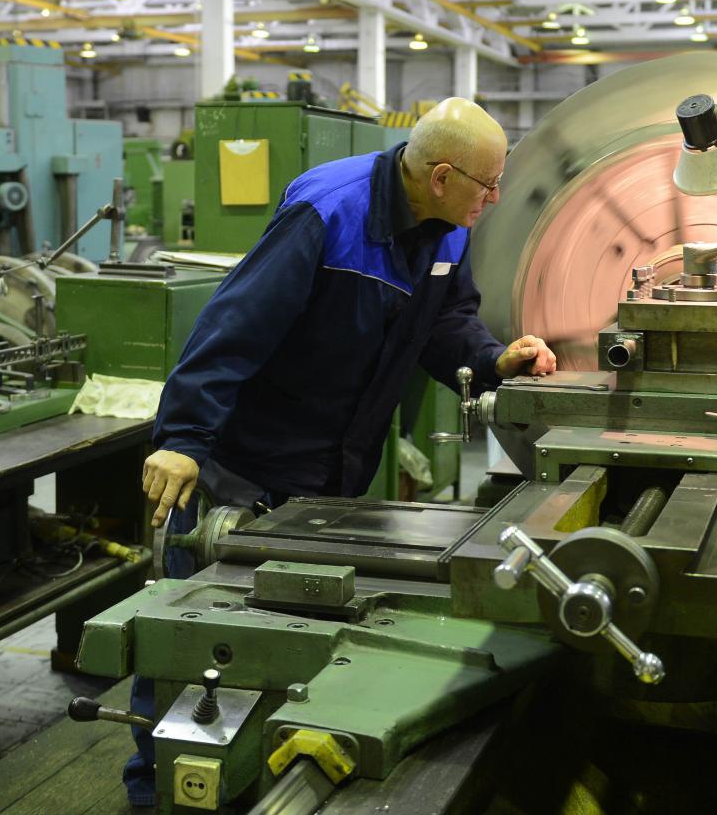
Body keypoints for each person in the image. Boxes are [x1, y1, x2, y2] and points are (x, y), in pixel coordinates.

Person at [121, 96, 556, 807]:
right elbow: (233, 325)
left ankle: (256, 777)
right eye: (488, 184)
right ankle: (154, 792)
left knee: (287, 642)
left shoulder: (447, 231)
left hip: (328, 483)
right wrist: (182, 441)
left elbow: (447, 322)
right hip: (245, 470)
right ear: (442, 176)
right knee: (192, 651)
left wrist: (494, 358)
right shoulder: (329, 213)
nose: (496, 198)